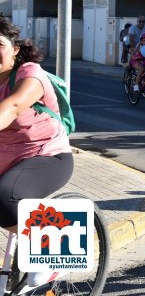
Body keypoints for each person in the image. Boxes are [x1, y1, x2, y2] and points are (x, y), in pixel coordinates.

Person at [0, 16, 73, 286]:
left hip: (47, 157)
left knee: (5, 197)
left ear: (15, 49)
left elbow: (13, 108)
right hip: (7, 162)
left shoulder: (29, 74)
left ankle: (54, 251)